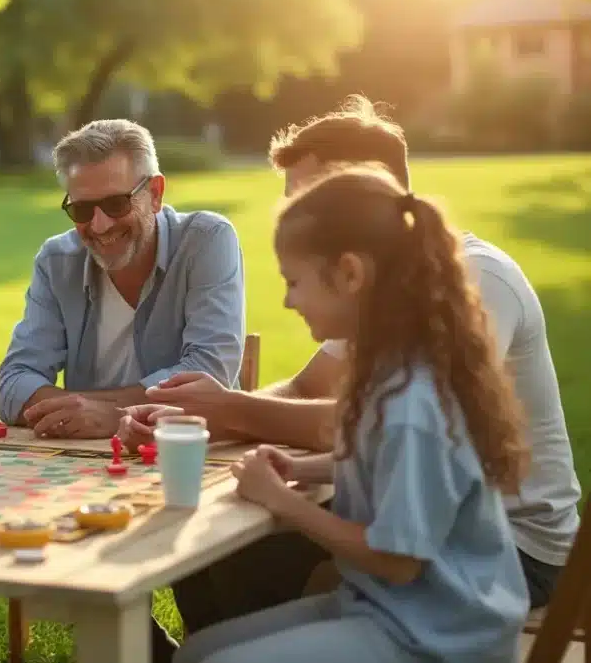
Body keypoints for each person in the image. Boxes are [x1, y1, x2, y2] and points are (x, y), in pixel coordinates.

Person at [120, 97, 581, 633]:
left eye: (310, 199)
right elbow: (302, 388)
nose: (295, 220)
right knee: (205, 547)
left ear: (368, 192)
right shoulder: (374, 285)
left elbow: (355, 422)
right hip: (411, 513)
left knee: (243, 559)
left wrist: (229, 408)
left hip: (504, 551)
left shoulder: (473, 281)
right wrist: (198, 418)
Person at [174, 164, 531, 663]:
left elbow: (398, 560)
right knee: (197, 651)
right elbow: (380, 459)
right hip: (389, 607)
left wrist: (284, 500)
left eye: (294, 282)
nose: (287, 300)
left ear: (349, 274)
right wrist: (301, 468)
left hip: (440, 634)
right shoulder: (390, 368)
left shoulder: (412, 399)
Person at [0, 118, 246, 658]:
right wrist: (83, 412)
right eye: (82, 209)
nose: (100, 224)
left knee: (211, 599)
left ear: (154, 193)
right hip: (90, 473)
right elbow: (14, 382)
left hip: (191, 465)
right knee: (65, 580)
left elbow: (208, 375)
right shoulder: (56, 259)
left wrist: (109, 414)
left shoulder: (207, 240)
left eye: (115, 203)